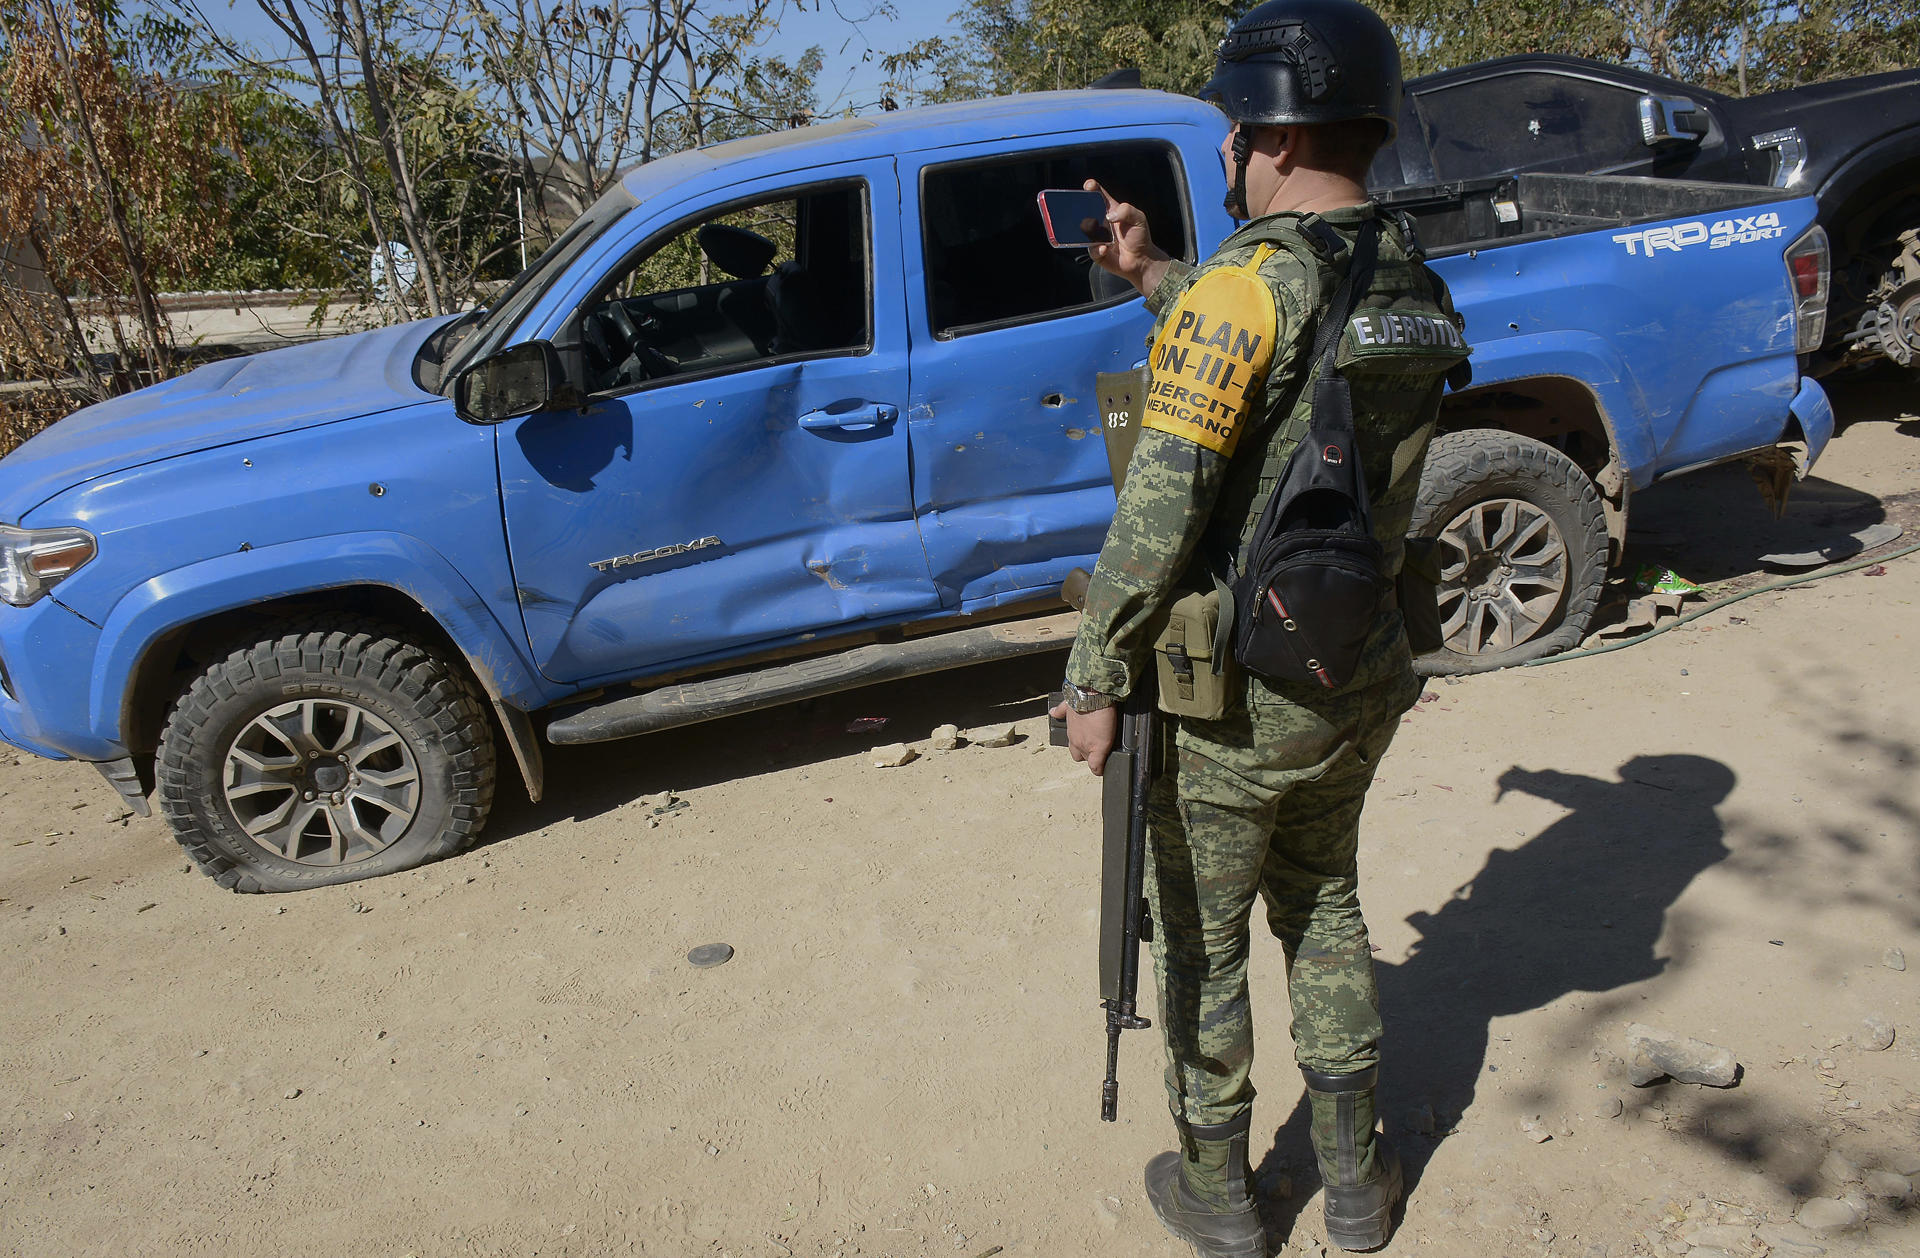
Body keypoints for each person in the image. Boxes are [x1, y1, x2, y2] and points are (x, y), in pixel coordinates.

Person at [1047, 2, 1469, 1254]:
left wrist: (1091, 677)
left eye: (1235, 131)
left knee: (1200, 941)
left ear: (1275, 138)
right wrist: (1151, 273)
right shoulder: (1408, 273)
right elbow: (1297, 345)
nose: (1227, 152)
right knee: (1325, 898)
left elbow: (1156, 516)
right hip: (1356, 668)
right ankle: (1356, 1187)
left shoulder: (1247, 287)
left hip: (1235, 697)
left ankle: (1221, 1194)